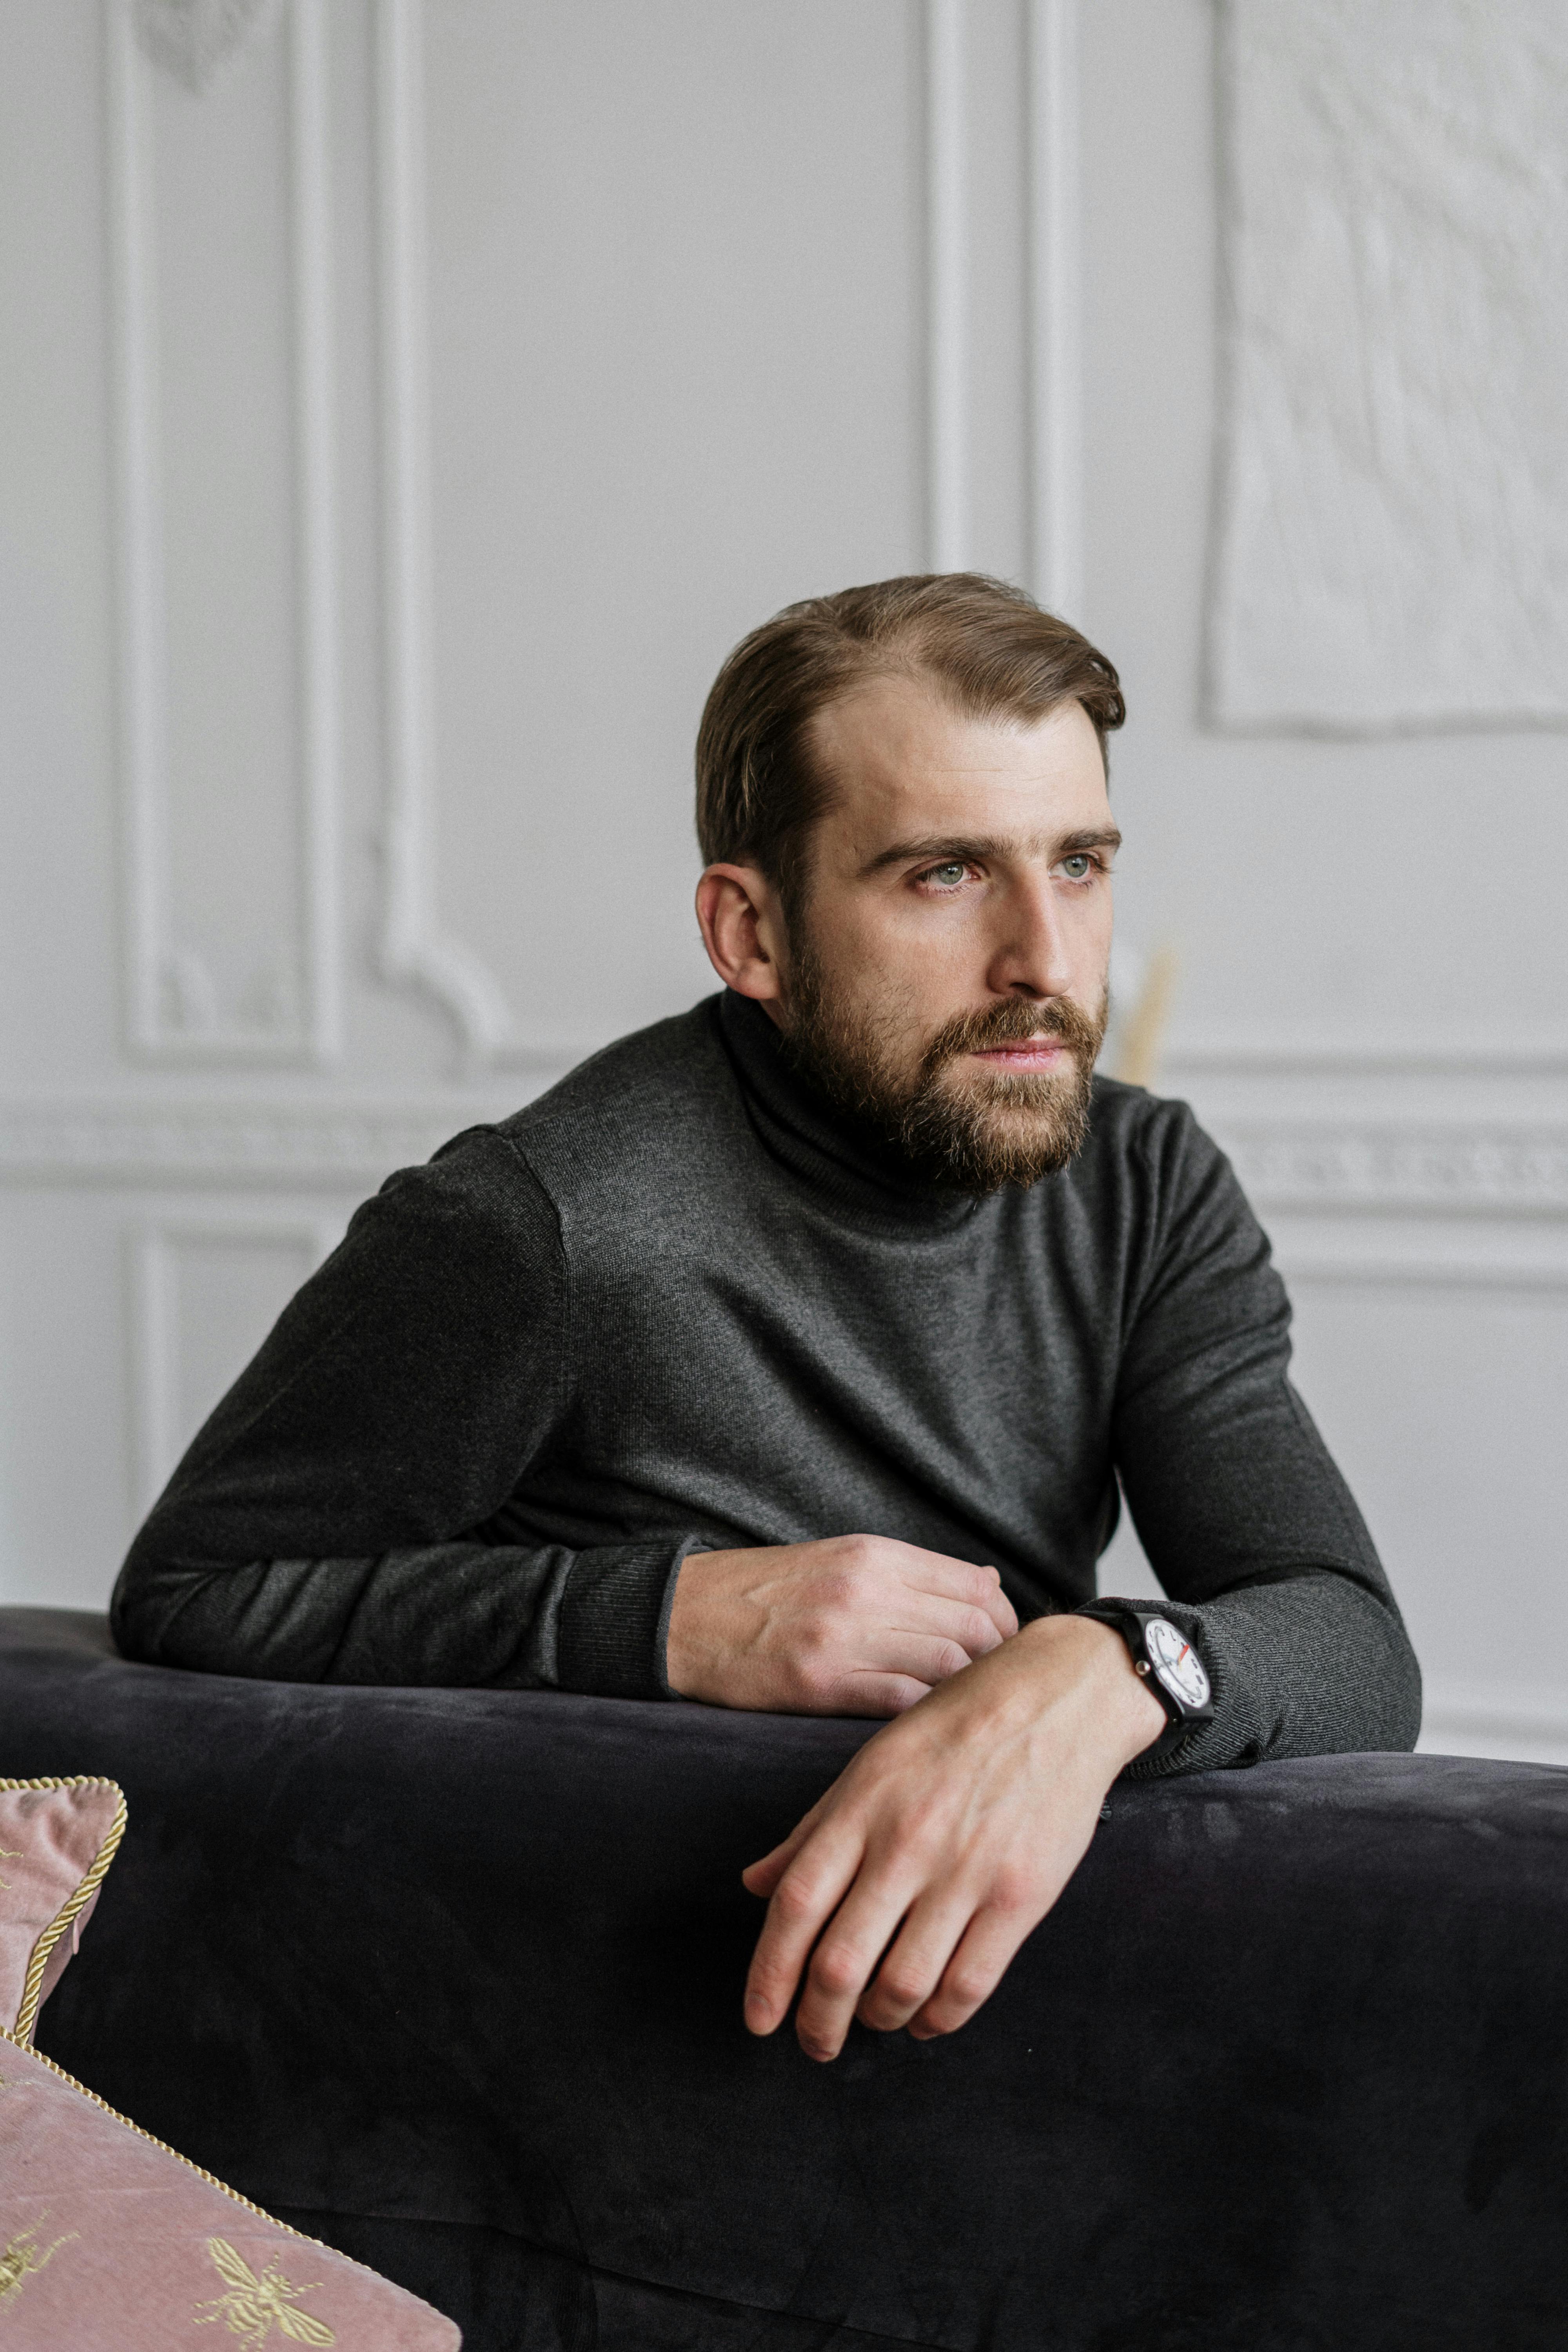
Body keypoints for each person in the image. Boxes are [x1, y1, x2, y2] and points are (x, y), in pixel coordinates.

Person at [112, 573, 1421, 2063]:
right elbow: (200, 1586)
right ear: (752, 934)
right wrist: (671, 1616)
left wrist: (1101, 1671)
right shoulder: (535, 1222)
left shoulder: (1146, 1180)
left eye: (1078, 863)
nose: (1048, 965)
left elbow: (1353, 1640)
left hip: (990, 2000)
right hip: (590, 2015)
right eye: (944, 874)